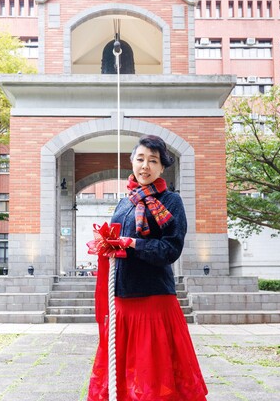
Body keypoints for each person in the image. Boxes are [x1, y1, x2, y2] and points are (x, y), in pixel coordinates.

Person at [87, 135, 208, 401]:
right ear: (132, 162)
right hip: (122, 300)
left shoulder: (171, 201)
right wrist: (106, 244)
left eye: (153, 160)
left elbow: (171, 250)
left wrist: (132, 244)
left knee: (153, 375)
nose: (145, 166)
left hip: (154, 301)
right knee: (123, 374)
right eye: (140, 159)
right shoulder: (124, 202)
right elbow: (117, 240)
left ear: (162, 167)